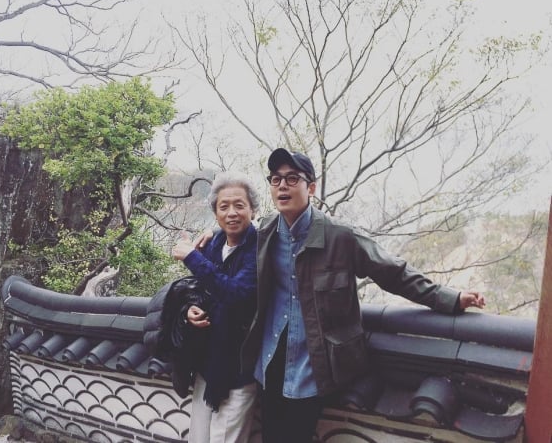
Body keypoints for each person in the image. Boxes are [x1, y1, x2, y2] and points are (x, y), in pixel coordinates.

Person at [201, 148, 485, 443]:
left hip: (312, 367)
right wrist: (210, 237)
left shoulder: (340, 236)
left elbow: (393, 272)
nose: (282, 186)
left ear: (311, 188)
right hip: (269, 362)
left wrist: (450, 298)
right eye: (276, 179)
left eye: (292, 178)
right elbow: (233, 232)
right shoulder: (266, 232)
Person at [172, 171, 260, 443]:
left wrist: (192, 257)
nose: (232, 212)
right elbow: (202, 291)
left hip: (239, 370)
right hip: (207, 364)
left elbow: (236, 293)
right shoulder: (215, 244)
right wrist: (190, 310)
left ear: (253, 210)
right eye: (224, 206)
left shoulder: (259, 249)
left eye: (239, 205)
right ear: (215, 213)